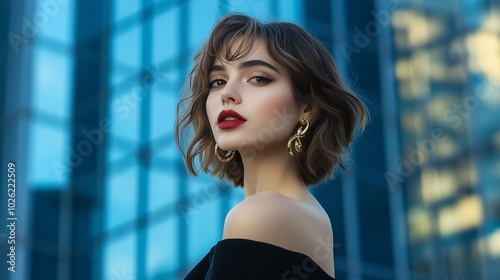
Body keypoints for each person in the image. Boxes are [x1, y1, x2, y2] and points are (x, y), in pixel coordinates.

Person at [175, 13, 367, 280]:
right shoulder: (305, 214)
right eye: (217, 82)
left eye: (257, 78)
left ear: (308, 107)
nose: (227, 93)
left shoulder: (260, 214)